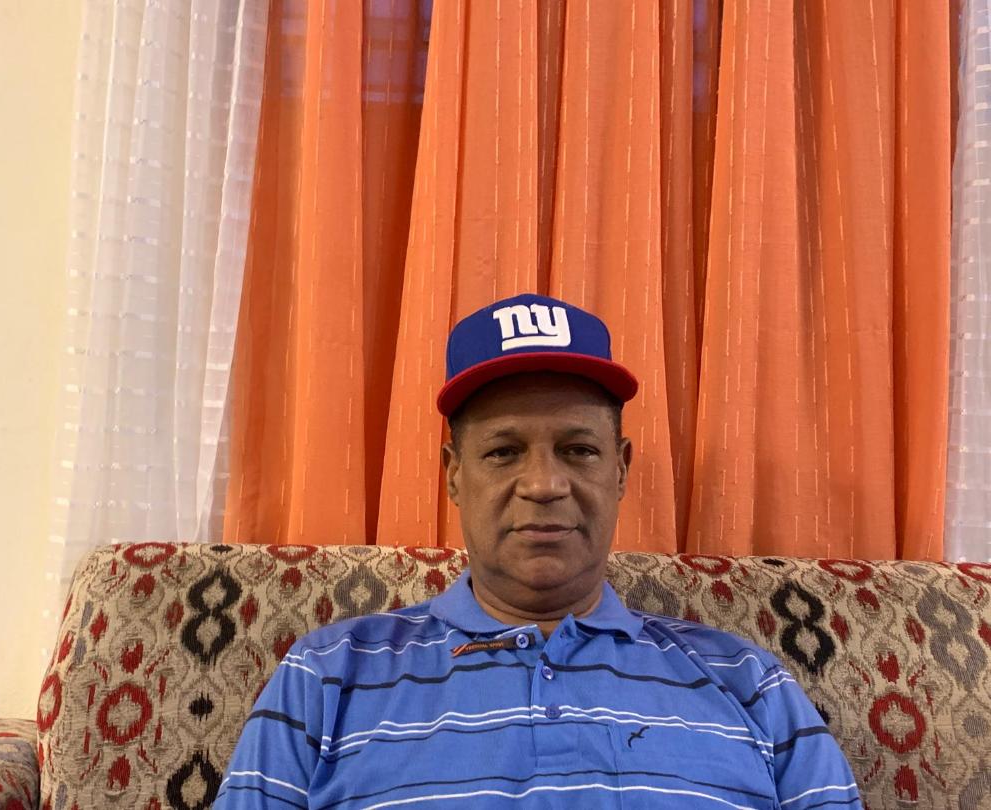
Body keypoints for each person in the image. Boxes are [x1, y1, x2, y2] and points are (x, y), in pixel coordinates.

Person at [213, 294, 861, 809]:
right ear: (454, 475)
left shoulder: (749, 683)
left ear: (620, 469)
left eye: (578, 450)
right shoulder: (327, 676)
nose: (545, 485)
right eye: (504, 452)